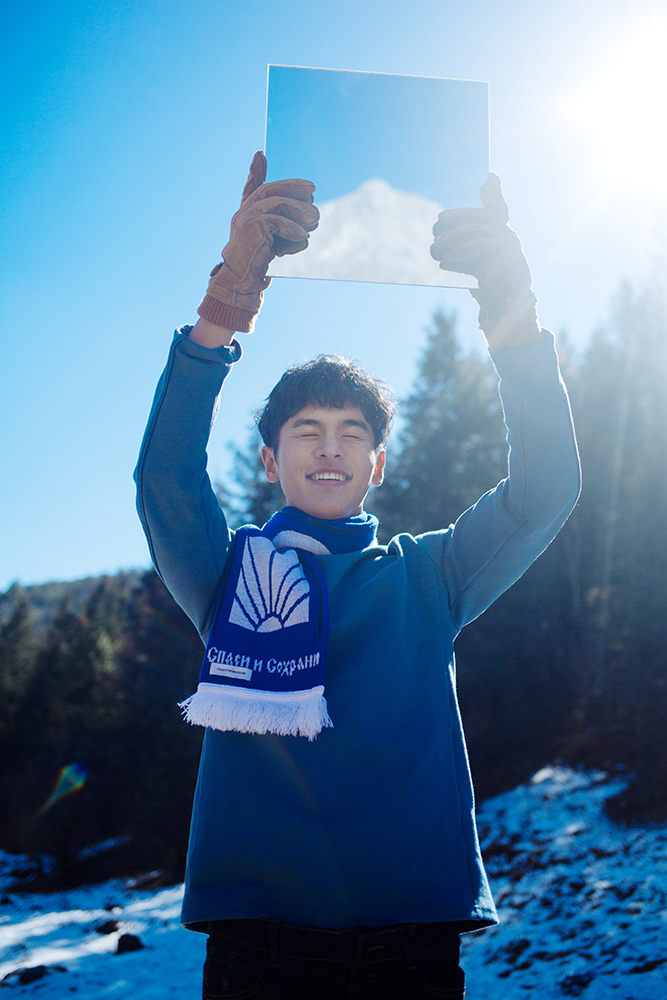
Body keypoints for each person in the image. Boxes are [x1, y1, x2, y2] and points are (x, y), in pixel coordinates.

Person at [135, 151, 580, 999]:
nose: (329, 447)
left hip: (409, 949)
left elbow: (545, 490)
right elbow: (165, 480)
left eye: (352, 433)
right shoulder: (227, 577)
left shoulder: (428, 577)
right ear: (270, 460)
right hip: (256, 950)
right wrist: (225, 305)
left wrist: (512, 318)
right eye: (306, 430)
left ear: (377, 465)